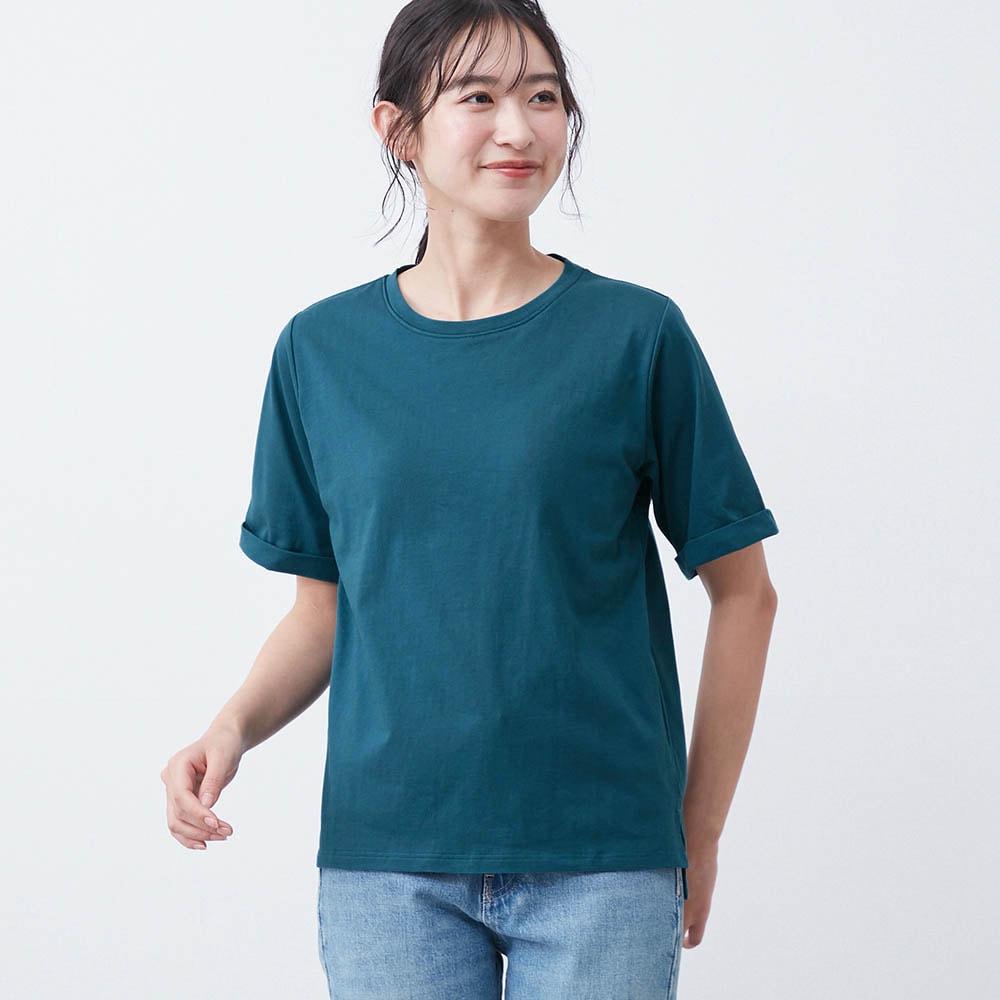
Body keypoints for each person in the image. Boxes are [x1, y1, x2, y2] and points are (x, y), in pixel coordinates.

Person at [161, 1, 779, 997]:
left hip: (602, 857)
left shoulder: (636, 337)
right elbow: (324, 611)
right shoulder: (321, 353)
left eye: (543, 97)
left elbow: (744, 592)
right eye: (478, 98)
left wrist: (696, 831)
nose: (518, 128)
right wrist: (228, 729)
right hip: (387, 865)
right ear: (398, 129)